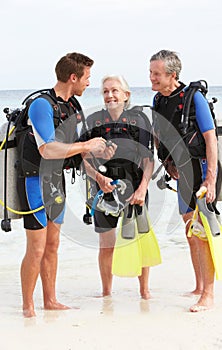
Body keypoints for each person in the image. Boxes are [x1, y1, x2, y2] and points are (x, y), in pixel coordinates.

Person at [17, 52, 107, 317]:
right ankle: (28, 307)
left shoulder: (73, 107)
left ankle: (50, 300)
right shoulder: (41, 105)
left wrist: (99, 171)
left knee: (53, 244)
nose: (89, 83)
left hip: (56, 181)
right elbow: (47, 149)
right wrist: (86, 145)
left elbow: (76, 152)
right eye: (87, 77)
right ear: (73, 77)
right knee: (36, 247)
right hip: (34, 180)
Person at [149, 50, 218, 312]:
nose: (152, 78)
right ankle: (199, 286)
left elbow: (210, 138)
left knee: (201, 232)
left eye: (156, 73)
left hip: (201, 170)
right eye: (151, 72)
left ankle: (208, 295)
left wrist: (210, 179)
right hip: (181, 172)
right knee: (190, 232)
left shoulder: (194, 98)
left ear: (172, 75)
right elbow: (161, 134)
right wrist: (167, 163)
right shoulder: (158, 99)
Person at [81, 75, 154, 299]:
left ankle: (144, 291)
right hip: (103, 189)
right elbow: (82, 158)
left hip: (135, 187)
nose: (110, 95)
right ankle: (106, 292)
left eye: (114, 90)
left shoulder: (139, 120)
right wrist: (99, 179)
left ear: (126, 95)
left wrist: (142, 189)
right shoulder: (93, 121)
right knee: (106, 243)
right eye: (105, 91)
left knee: (139, 241)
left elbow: (148, 160)